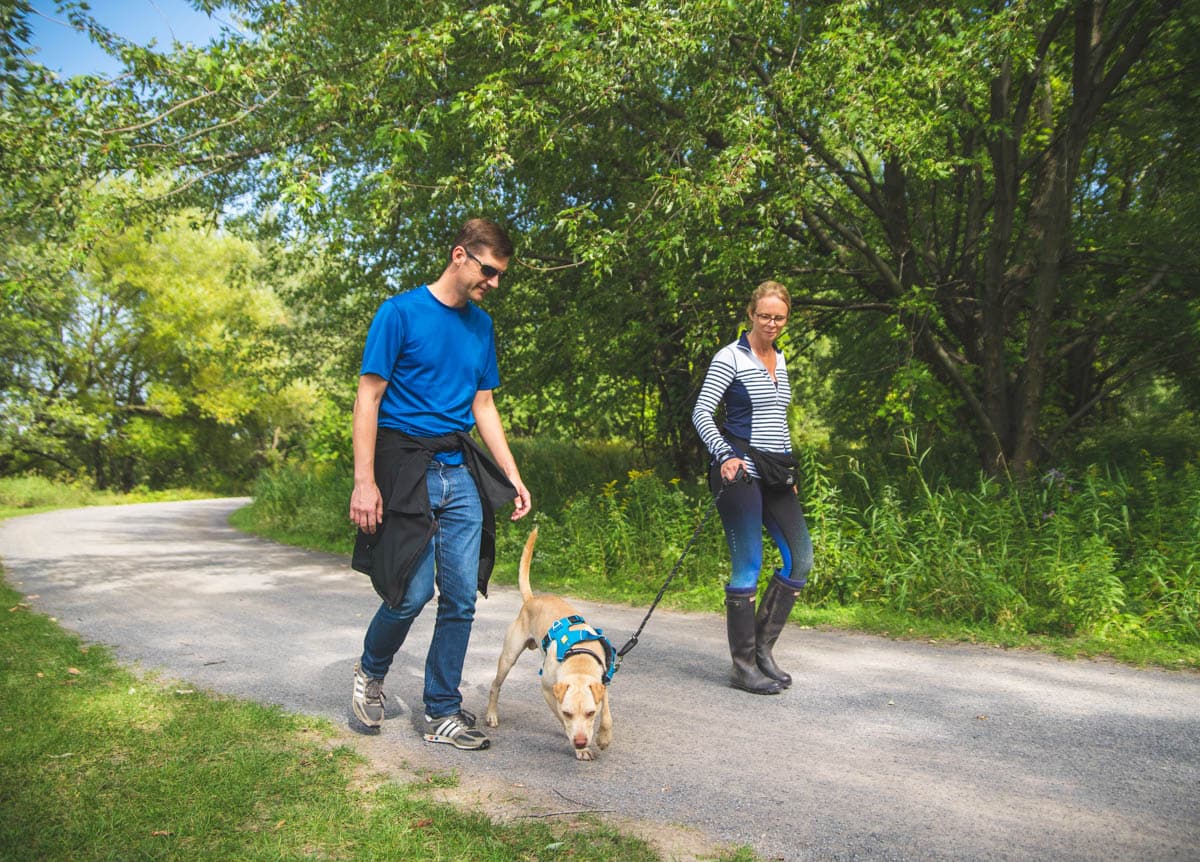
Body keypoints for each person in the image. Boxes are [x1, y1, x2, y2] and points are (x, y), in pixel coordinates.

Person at [347, 218, 531, 749]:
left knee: (461, 597)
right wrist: (365, 482)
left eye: (499, 276)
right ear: (459, 255)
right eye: (489, 272)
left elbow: (484, 405)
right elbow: (368, 398)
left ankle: (442, 710)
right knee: (409, 593)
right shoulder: (399, 313)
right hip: (404, 464)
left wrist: (511, 474)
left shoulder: (481, 326)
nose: (493, 284)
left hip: (459, 467)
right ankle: (370, 672)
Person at [691, 280, 814, 695]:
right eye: (764, 315)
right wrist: (724, 455)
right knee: (749, 563)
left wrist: (789, 475)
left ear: (787, 318)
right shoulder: (731, 356)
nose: (772, 323)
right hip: (739, 467)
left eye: (779, 317)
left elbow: (778, 422)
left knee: (801, 559)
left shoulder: (780, 358)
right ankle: (743, 667)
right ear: (751, 314)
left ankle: (762, 651)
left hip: (776, 471)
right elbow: (702, 411)